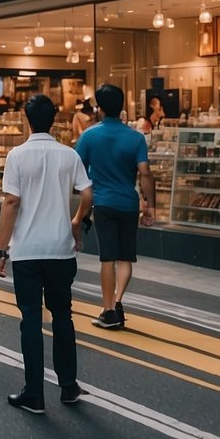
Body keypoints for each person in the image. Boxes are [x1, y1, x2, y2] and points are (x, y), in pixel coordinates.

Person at [0, 94, 94, 414]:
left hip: (27, 252)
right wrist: (77, 223)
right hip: (61, 250)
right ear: (53, 120)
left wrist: (0, 249)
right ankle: (68, 386)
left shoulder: (17, 156)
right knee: (63, 316)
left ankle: (34, 393)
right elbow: (88, 193)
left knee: (31, 321)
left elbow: (11, 203)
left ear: (27, 119)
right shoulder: (69, 155)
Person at [75, 83, 155, 330]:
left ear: (99, 108)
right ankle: (119, 301)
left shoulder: (89, 136)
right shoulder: (136, 137)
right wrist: (149, 205)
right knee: (125, 257)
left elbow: (76, 168)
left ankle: (108, 310)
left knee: (107, 258)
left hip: (103, 202)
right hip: (129, 204)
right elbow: (145, 173)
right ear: (121, 107)